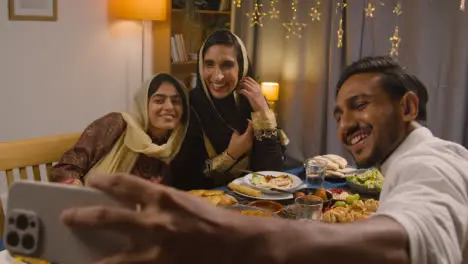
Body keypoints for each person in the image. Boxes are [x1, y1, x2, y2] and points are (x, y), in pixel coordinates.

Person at [60, 56, 468, 264]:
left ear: (408, 107)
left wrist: (248, 239)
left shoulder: (428, 164)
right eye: (339, 115)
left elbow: (416, 237)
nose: (345, 127)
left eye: (358, 106)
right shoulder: (136, 122)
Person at [170, 30, 287, 190]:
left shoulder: (253, 103)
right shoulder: (189, 107)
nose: (217, 76)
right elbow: (187, 180)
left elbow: (272, 174)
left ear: (242, 67)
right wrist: (231, 154)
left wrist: (262, 110)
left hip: (253, 202)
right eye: (209, 64)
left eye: (227, 65)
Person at [50, 73, 189, 186]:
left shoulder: (177, 141)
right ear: (143, 105)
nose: (169, 107)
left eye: (176, 101)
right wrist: (77, 187)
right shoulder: (116, 124)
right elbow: (65, 168)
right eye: (159, 100)